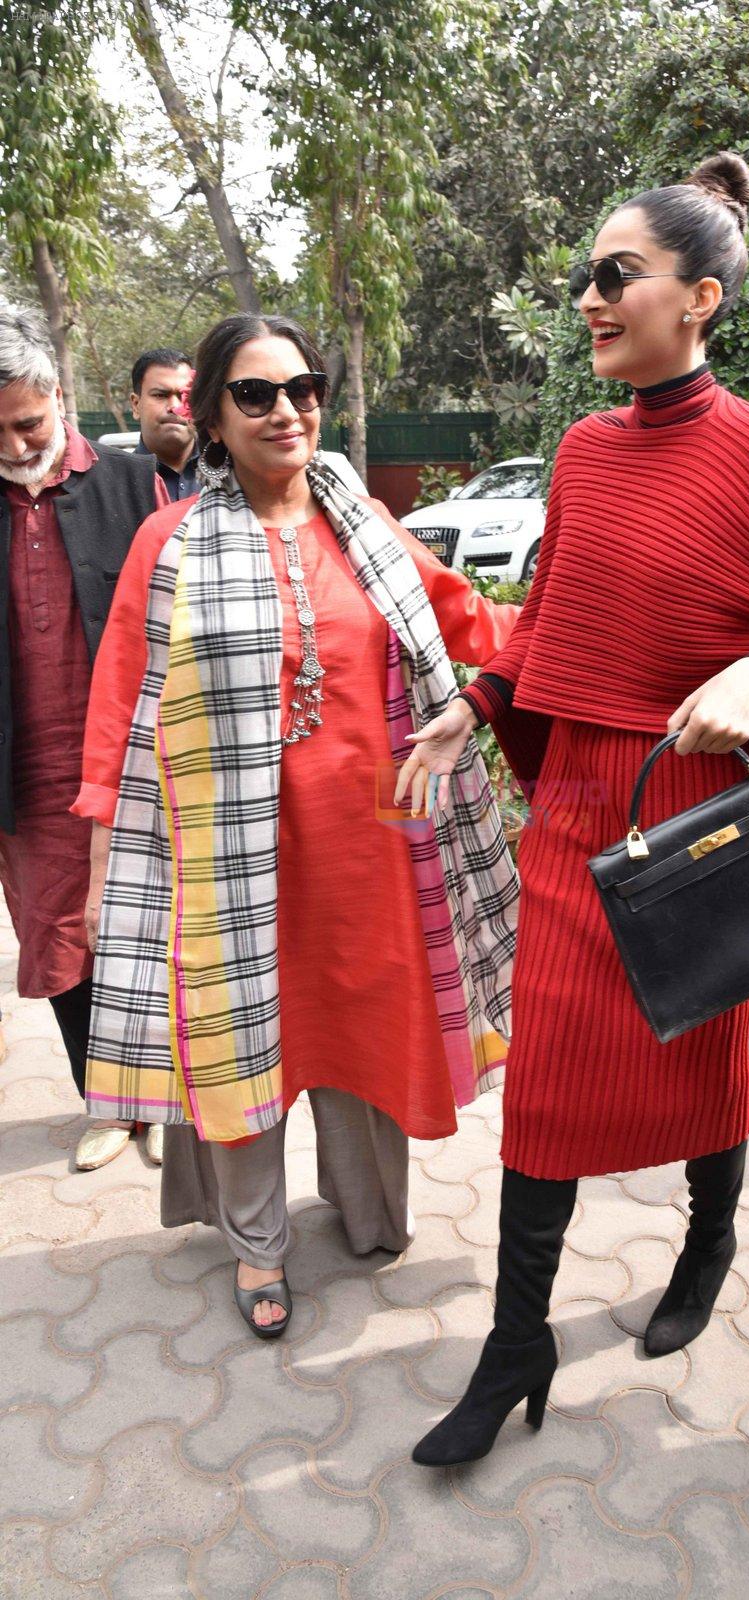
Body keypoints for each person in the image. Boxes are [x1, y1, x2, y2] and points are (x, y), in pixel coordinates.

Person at [398, 152, 749, 1467]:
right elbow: (555, 623)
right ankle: (515, 1345)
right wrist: (478, 702)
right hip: (576, 809)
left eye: (617, 276)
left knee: (698, 1064)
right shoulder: (585, 456)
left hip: (694, 810)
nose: (589, 298)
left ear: (697, 297)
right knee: (542, 1089)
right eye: (585, 278)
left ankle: (707, 1238)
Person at [73, 313, 519, 1336]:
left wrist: (588, 627)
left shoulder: (365, 526)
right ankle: (257, 1247)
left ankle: (367, 1215)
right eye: (258, 394)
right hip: (227, 858)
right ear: (212, 419)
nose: (290, 410)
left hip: (370, 848)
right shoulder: (170, 542)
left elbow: (469, 624)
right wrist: (102, 872)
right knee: (244, 1044)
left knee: (361, 1028)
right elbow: (120, 712)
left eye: (304, 387)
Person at [0, 304, 166, 1171]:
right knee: (58, 938)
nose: (16, 442)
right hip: (24, 771)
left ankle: (164, 1094)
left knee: (149, 925)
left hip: (134, 763)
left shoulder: (132, 486)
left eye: (27, 421)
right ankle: (108, 1102)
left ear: (58, 396)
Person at [130, 347, 199, 501]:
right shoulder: (117, 483)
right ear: (136, 405)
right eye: (160, 395)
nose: (175, 407)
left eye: (184, 396)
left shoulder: (233, 472)